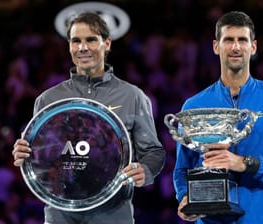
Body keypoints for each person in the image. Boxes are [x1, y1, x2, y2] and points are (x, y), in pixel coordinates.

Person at [12, 12, 166, 224]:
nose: (83, 47)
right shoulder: (47, 100)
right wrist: (25, 154)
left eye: (91, 39)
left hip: (113, 213)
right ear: (69, 46)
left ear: (107, 43)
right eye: (76, 41)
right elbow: (43, 158)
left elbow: (153, 151)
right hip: (60, 214)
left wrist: (145, 170)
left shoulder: (132, 96)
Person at [173, 11, 263, 224]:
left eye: (242, 40)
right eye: (228, 40)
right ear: (216, 47)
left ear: (253, 47)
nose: (235, 47)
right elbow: (182, 169)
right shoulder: (194, 107)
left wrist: (245, 164)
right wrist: (185, 198)